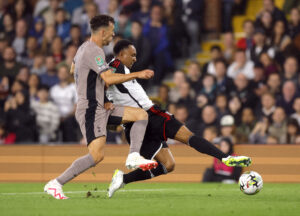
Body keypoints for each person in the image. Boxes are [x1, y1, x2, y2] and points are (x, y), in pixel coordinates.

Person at [105, 39, 251, 198]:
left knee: (170, 163)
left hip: (146, 119)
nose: (135, 59)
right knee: (183, 144)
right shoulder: (115, 65)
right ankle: (226, 158)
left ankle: (123, 178)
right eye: (132, 55)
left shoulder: (123, 70)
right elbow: (105, 80)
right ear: (121, 54)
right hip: (142, 121)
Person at [44, 15, 158, 200]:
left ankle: (133, 156)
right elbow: (108, 79)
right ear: (103, 32)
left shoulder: (83, 48)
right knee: (96, 156)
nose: (113, 35)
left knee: (140, 115)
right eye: (112, 31)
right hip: (90, 109)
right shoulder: (94, 51)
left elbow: (74, 69)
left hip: (100, 106)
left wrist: (99, 90)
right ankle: (56, 183)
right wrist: (138, 74)